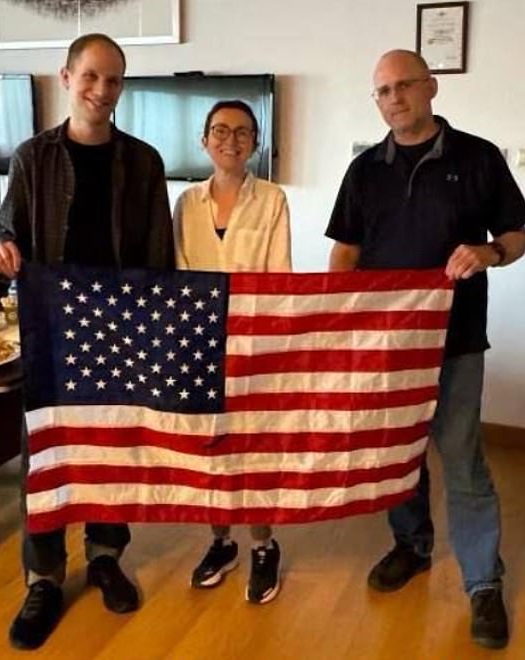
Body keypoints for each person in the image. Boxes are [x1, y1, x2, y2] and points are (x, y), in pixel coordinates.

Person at [325, 50, 525, 650]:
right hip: (386, 343)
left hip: (458, 340)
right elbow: (345, 252)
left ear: (431, 87)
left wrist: (488, 253)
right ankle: (411, 547)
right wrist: (336, 319)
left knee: (462, 459)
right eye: (382, 91)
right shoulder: (365, 170)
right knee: (400, 454)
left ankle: (482, 583)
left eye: (404, 87)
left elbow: (515, 237)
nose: (394, 99)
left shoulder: (479, 157)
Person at [0, 33, 175, 650]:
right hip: (51, 327)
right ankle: (43, 577)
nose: (101, 90)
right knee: (45, 455)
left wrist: (155, 331)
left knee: (109, 447)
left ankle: (105, 555)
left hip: (119, 327)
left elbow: (157, 255)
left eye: (114, 80)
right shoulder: (31, 157)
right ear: (66, 77)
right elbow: (7, 228)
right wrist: (1, 255)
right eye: (91, 76)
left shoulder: (144, 162)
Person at [173, 100, 292, 604]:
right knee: (210, 449)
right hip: (197, 344)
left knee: (254, 450)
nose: (231, 140)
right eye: (220, 130)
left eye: (243, 132)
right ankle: (220, 543)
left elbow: (279, 275)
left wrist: (252, 333)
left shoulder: (272, 199)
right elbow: (176, 276)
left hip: (253, 343)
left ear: (255, 143)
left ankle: (263, 545)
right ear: (204, 140)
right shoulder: (184, 202)